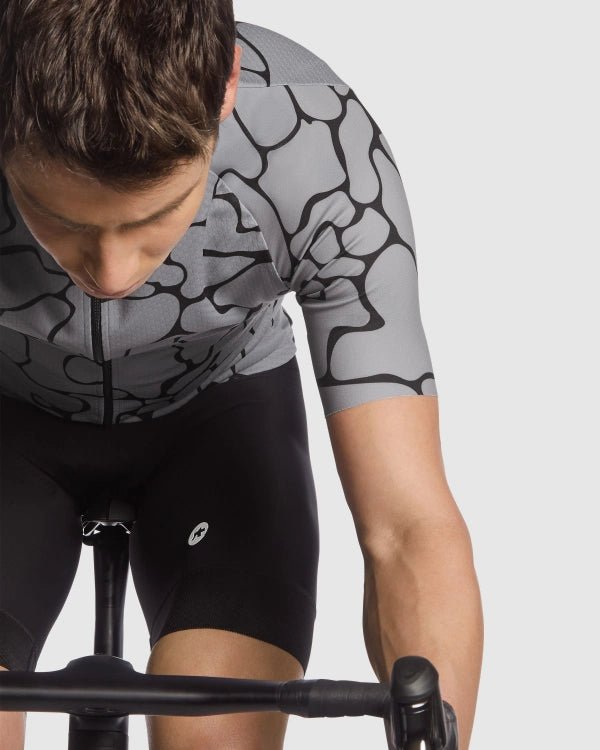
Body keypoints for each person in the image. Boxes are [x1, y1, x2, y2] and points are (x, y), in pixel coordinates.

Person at [0, 2, 483, 749]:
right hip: (10, 415)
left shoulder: (314, 139)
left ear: (224, 87)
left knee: (214, 735)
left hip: (218, 417)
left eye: (155, 216)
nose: (112, 275)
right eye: (59, 217)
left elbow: (405, 525)